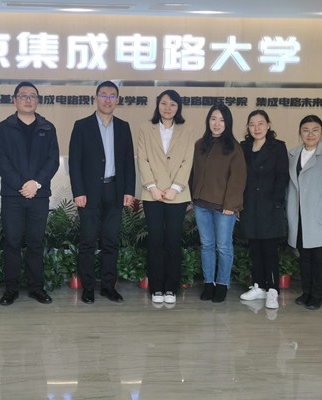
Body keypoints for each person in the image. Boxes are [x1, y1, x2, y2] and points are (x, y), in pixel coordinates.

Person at [69, 81, 135, 304]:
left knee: (111, 242)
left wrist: (129, 190)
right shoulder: (82, 126)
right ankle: (88, 288)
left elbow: (128, 161)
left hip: (114, 190)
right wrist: (78, 191)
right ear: (96, 97)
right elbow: (75, 162)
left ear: (118, 100)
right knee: (88, 242)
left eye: (112, 96)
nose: (108, 99)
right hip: (89, 193)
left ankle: (108, 287)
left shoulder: (124, 127)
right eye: (104, 95)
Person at [0, 82, 60, 306]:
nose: (28, 100)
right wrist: (22, 185)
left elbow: (52, 160)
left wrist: (36, 184)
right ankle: (11, 289)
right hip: (12, 195)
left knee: (35, 243)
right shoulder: (5, 127)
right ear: (14, 100)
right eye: (23, 96)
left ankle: (36, 288)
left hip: (39, 196)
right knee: (11, 243)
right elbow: (1, 161)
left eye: (32, 96)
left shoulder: (48, 127)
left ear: (38, 100)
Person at [136, 90, 193, 306]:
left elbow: (187, 161)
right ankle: (156, 287)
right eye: (164, 103)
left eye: (172, 104)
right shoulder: (146, 128)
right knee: (155, 240)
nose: (167, 108)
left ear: (178, 107)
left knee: (173, 240)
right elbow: (142, 159)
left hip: (177, 195)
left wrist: (175, 188)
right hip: (152, 194)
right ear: (158, 105)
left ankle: (171, 287)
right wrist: (152, 187)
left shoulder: (187, 129)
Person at [190, 103, 246, 303]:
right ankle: (208, 283)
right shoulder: (199, 144)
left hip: (224, 208)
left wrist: (232, 205)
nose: (217, 123)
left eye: (222, 120)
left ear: (227, 123)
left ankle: (222, 284)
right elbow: (193, 172)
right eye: (213, 118)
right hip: (201, 205)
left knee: (223, 247)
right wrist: (192, 197)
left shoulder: (234, 147)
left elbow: (238, 179)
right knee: (206, 245)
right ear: (208, 121)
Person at [238, 110, 289, 310]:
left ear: (268, 125)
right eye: (252, 124)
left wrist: (276, 202)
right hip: (250, 205)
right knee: (255, 248)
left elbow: (282, 177)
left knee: (270, 250)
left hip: (270, 206)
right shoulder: (243, 147)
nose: (256, 128)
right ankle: (258, 286)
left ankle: (273, 290)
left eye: (260, 123)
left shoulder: (278, 147)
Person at [287, 114, 322, 311]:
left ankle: (316, 295)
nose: (310, 134)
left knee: (318, 257)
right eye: (306, 130)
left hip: (316, 213)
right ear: (300, 133)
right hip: (297, 213)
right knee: (304, 256)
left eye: (315, 130)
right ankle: (306, 292)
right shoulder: (293, 153)